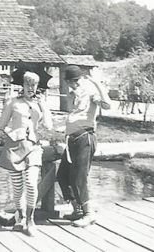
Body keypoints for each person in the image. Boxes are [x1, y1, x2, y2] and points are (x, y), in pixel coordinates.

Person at [0, 71, 53, 236]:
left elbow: (48, 126)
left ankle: (30, 220)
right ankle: (20, 219)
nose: (30, 88)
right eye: (28, 84)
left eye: (34, 85)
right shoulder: (12, 103)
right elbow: (1, 124)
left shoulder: (40, 104)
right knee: (18, 188)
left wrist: (44, 106)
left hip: (33, 146)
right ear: (23, 85)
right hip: (14, 147)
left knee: (32, 183)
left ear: (37, 86)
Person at [57, 65, 111, 227]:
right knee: (63, 175)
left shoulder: (90, 92)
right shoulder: (75, 94)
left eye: (75, 81)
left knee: (79, 177)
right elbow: (74, 116)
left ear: (81, 79)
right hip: (72, 140)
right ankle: (77, 210)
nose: (73, 84)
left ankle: (89, 213)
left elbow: (107, 105)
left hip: (84, 138)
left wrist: (97, 84)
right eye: (70, 82)